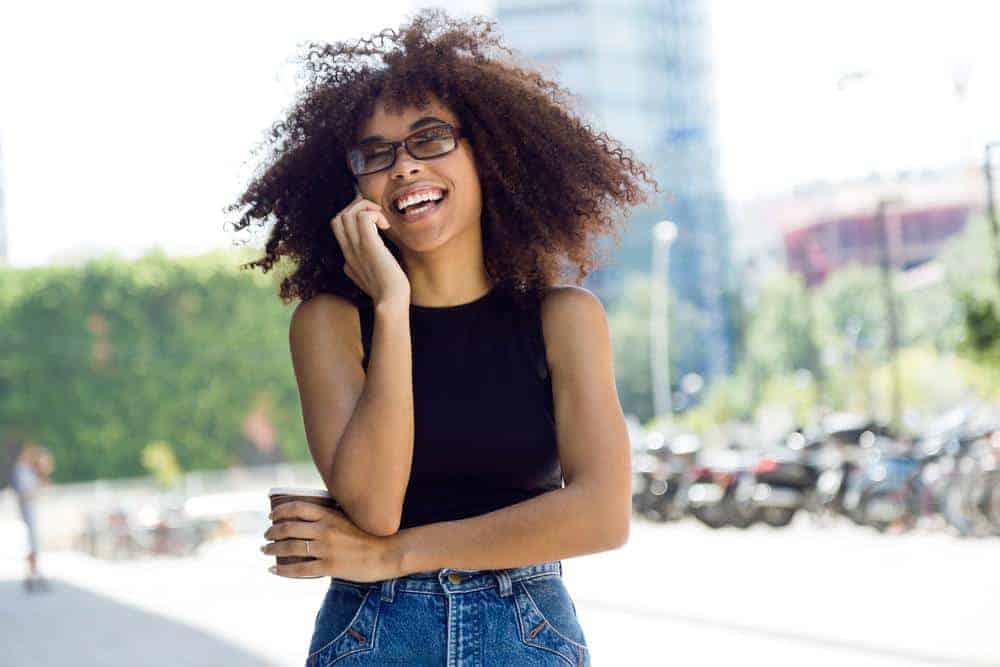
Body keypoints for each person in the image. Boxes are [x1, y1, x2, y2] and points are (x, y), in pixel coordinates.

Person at [232, 9, 659, 665]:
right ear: (353, 187)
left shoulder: (565, 318)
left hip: (527, 634)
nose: (403, 166)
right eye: (376, 154)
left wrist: (396, 553)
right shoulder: (330, 322)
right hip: (373, 634)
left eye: (429, 139)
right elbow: (373, 504)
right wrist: (393, 304)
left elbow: (603, 515)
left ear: (487, 153)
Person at [11, 442, 54, 592]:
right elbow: (24, 493)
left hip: (29, 512)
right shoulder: (21, 470)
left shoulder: (27, 471)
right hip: (27, 513)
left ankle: (33, 575)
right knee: (30, 545)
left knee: (32, 545)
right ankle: (32, 575)